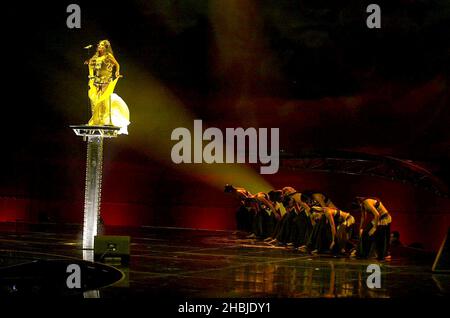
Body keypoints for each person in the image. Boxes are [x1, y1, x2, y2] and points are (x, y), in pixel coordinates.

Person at [85, 39, 130, 134]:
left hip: (106, 81)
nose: (99, 46)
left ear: (106, 47)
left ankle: (105, 120)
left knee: (104, 99)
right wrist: (89, 65)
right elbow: (91, 65)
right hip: (97, 81)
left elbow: (117, 64)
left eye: (102, 45)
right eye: (99, 45)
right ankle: (96, 120)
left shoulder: (108, 56)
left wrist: (117, 72)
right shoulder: (96, 56)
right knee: (96, 100)